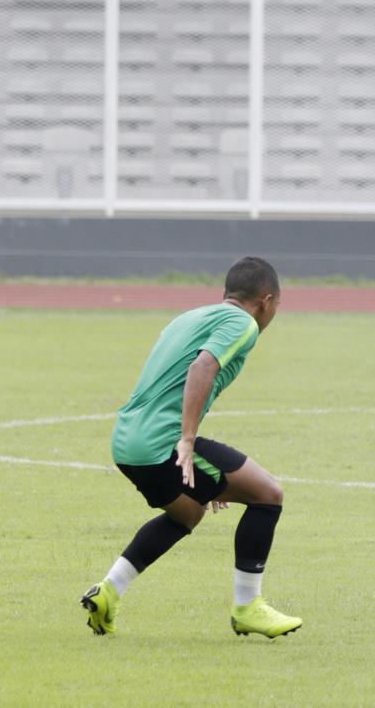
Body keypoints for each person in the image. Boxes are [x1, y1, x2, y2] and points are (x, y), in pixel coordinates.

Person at [81, 256, 302, 638]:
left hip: (128, 441)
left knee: (188, 515)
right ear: (266, 300)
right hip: (161, 444)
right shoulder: (243, 323)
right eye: (277, 306)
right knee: (269, 494)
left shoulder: (189, 318)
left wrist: (210, 481)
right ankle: (248, 606)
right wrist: (186, 441)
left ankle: (108, 592)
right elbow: (202, 368)